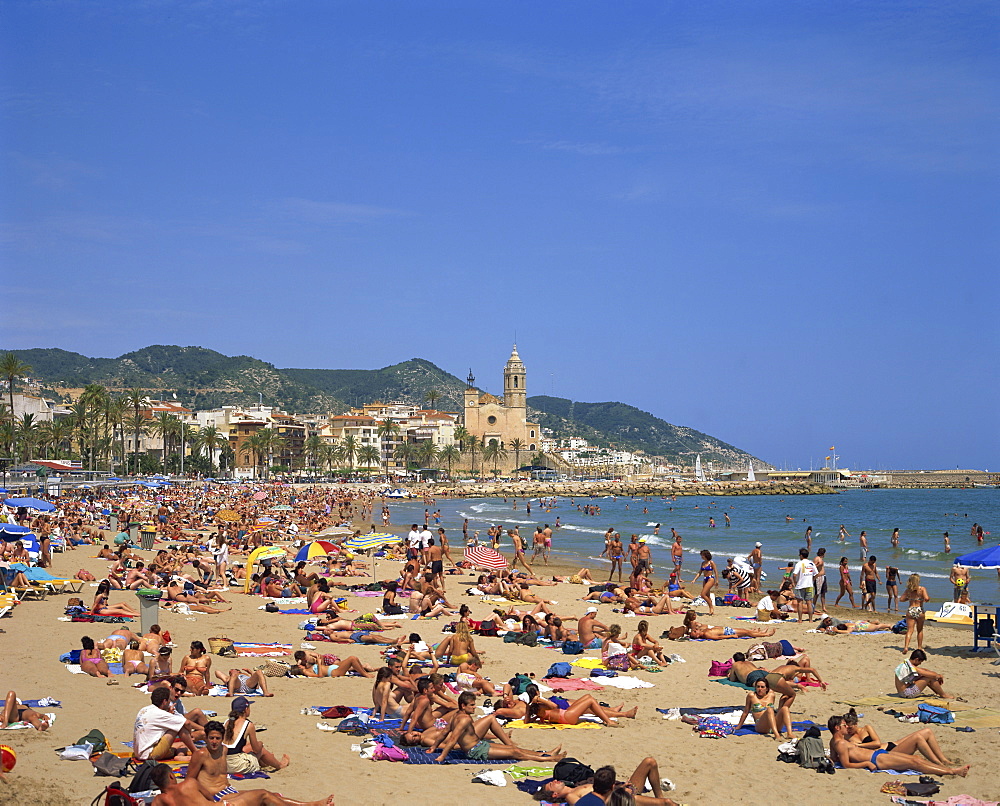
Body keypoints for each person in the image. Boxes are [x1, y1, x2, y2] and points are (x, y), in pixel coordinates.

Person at [427, 691, 566, 763]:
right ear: (463, 706)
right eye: (472, 705)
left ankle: (545, 753)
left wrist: (434, 747)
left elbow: (444, 732)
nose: (475, 707)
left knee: (513, 748)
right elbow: (452, 739)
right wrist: (442, 756)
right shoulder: (463, 720)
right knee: (514, 753)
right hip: (475, 751)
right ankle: (549, 759)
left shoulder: (456, 715)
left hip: (479, 744)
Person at [827, 714, 969, 777]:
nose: (847, 727)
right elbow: (846, 764)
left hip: (879, 754)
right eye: (844, 725)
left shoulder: (834, 741)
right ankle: (952, 772)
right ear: (837, 728)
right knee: (915, 761)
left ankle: (944, 767)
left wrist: (830, 759)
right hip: (876, 760)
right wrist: (865, 763)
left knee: (918, 759)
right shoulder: (840, 743)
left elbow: (835, 759)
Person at [151, 761, 334, 805]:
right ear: (171, 776)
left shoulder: (160, 800)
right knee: (263, 793)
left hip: (222, 799)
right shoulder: (189, 782)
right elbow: (211, 798)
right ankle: (310, 805)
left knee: (239, 794)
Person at [842, 708, 956, 767]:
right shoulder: (847, 737)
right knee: (917, 738)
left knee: (927, 731)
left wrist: (859, 744)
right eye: (846, 727)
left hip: (891, 745)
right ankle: (937, 763)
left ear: (856, 724)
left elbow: (877, 743)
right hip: (888, 753)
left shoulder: (866, 728)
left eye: (850, 727)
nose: (848, 729)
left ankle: (944, 759)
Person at [538, 760, 678, 806]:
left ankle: (658, 796)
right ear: (555, 794)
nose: (555, 780)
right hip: (622, 799)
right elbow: (599, 802)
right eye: (552, 784)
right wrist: (621, 793)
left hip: (618, 791)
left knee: (649, 762)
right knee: (666, 802)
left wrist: (620, 787)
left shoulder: (577, 786)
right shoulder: (571, 796)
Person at [222, 696, 289, 774]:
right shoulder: (248, 725)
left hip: (223, 764)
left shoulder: (227, 722)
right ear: (246, 709)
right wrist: (260, 744)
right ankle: (280, 765)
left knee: (248, 747)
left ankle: (265, 762)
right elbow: (256, 749)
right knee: (261, 750)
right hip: (237, 766)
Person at [134, 686, 197, 762]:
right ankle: (195, 752)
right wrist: (190, 733)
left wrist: (168, 713)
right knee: (179, 727)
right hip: (150, 754)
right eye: (169, 701)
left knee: (182, 745)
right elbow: (187, 723)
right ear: (164, 701)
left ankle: (180, 756)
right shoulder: (160, 714)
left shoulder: (144, 709)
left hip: (139, 752)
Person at [528, 691, 638, 727]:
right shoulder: (540, 707)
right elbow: (555, 706)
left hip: (566, 715)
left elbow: (527, 720)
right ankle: (608, 721)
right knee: (590, 701)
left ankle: (611, 716)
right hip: (567, 717)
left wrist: (529, 708)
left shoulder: (538, 711)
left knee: (588, 697)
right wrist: (540, 699)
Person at [900, 573, 929, 652]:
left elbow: (901, 599)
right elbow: (926, 598)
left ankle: (906, 646)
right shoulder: (922, 589)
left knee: (909, 630)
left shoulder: (908, 590)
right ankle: (919, 647)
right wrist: (924, 599)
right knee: (919, 630)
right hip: (919, 609)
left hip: (911, 609)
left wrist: (909, 598)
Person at [791, 547, 817, 622]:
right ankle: (811, 619)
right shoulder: (811, 563)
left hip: (801, 584)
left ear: (801, 555)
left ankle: (800, 619)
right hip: (809, 585)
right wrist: (812, 579)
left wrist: (794, 582)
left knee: (800, 602)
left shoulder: (799, 563)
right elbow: (816, 573)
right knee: (809, 602)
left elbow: (795, 574)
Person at [692, 550, 718, 615]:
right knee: (707, 595)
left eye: (702, 555)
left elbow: (716, 572)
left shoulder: (711, 562)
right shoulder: (703, 563)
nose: (701, 556)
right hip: (705, 579)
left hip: (710, 579)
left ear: (705, 555)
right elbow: (700, 572)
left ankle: (711, 607)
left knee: (703, 594)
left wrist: (717, 581)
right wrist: (694, 579)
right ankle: (711, 610)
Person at [688, 624, 775, 640]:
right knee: (747, 633)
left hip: (726, 629)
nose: (695, 630)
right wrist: (731, 636)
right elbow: (719, 637)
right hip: (727, 633)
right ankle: (766, 634)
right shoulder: (706, 634)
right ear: (697, 636)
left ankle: (760, 632)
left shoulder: (704, 631)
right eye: (695, 632)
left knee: (745, 631)